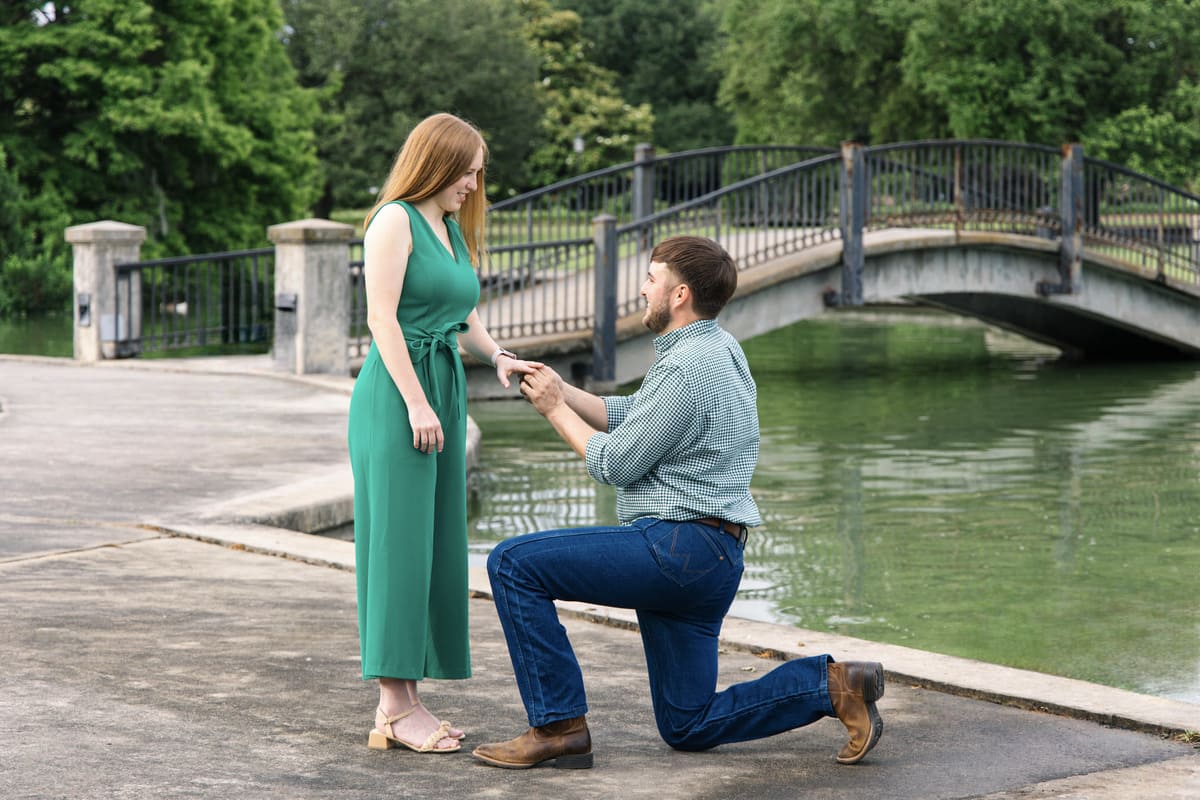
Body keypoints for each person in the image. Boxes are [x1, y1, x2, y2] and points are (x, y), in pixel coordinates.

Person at [472, 235, 885, 770]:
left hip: (677, 547)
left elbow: (614, 464)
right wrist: (560, 390)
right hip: (713, 557)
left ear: (680, 293)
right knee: (688, 724)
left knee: (512, 563)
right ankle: (834, 685)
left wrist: (554, 411)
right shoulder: (717, 348)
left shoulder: (688, 366)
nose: (643, 289)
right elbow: (634, 416)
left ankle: (558, 727)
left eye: (651, 279)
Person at [347, 112, 539, 754]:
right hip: (399, 395)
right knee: (397, 547)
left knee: (433, 547)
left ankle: (409, 699)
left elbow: (463, 313)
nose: (475, 181)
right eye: (468, 168)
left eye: (479, 170)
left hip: (443, 390)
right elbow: (381, 318)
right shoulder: (394, 220)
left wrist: (498, 357)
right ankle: (392, 708)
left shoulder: (449, 227)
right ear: (437, 161)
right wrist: (415, 403)